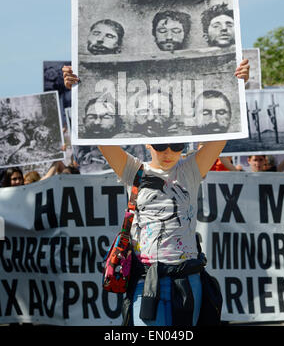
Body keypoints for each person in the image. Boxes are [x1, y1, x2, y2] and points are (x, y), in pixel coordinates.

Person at [62, 58, 249, 326]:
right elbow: (97, 135)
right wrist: (78, 90)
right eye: (162, 144)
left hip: (189, 279)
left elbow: (224, 130)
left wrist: (239, 86)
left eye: (176, 144)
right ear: (147, 142)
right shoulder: (132, 170)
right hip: (144, 280)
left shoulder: (191, 169)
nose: (170, 152)